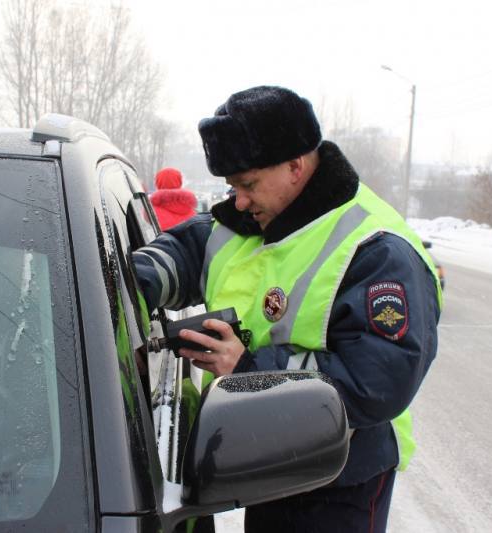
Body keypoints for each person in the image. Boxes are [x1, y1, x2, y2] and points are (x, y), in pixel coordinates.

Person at [133, 86, 442, 532]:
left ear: (295, 166)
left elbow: (380, 381)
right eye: (232, 186)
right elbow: (184, 251)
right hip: (273, 461)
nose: (238, 200)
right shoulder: (249, 221)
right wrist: (128, 279)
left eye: (248, 185)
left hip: (342, 478)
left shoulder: (376, 249)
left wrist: (251, 366)